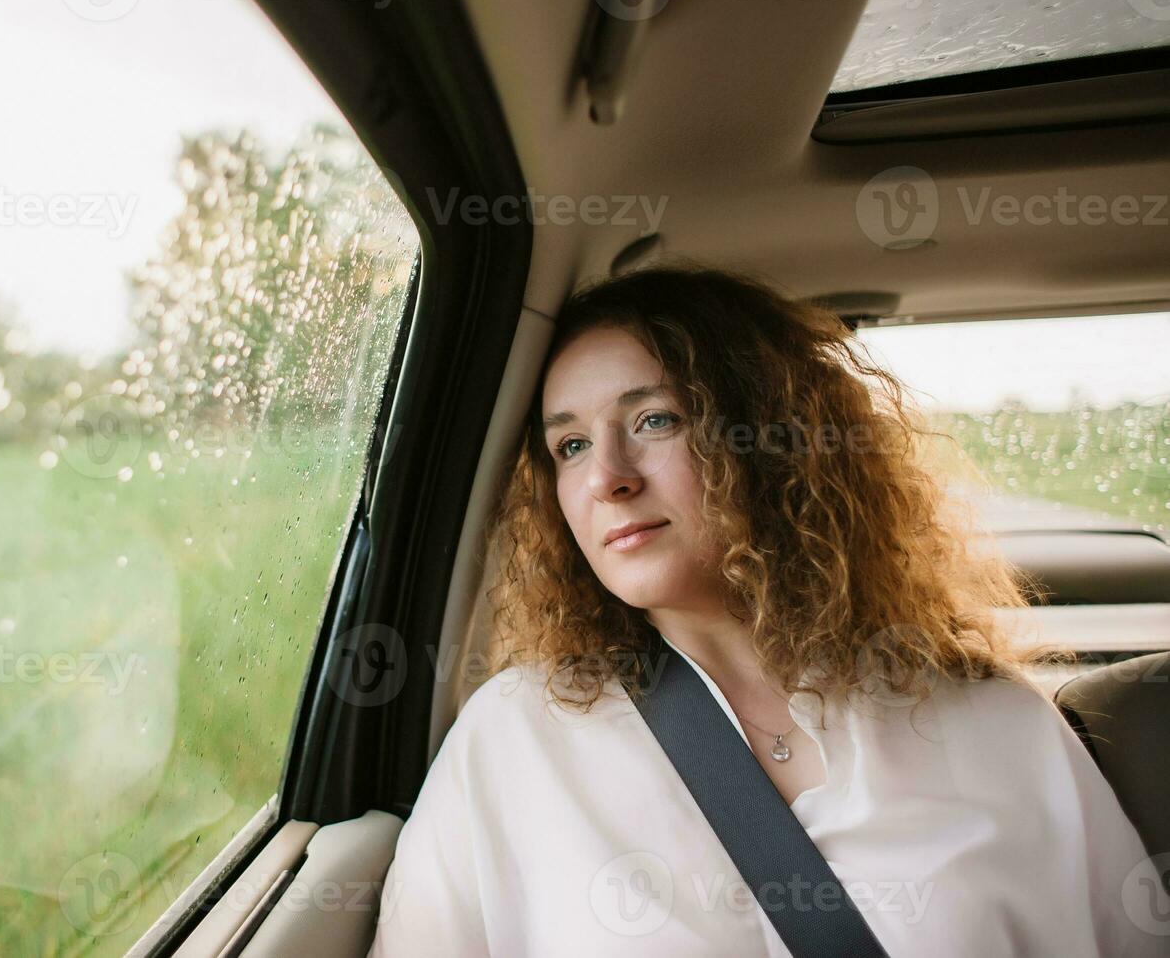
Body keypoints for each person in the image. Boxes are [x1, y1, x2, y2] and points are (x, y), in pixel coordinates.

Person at [366, 264, 1168, 956]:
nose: (606, 475)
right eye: (570, 444)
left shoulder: (997, 727)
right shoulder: (511, 741)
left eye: (654, 420)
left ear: (773, 441)